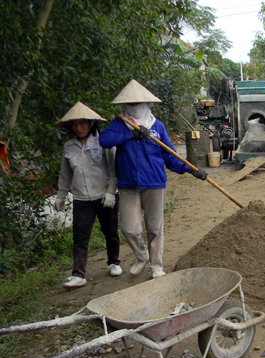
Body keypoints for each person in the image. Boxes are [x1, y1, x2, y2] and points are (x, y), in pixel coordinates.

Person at [99, 80, 207, 279]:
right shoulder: (119, 124)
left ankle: (156, 266)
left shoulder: (157, 126)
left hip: (155, 183)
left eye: (139, 102)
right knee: (129, 228)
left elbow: (170, 155)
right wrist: (131, 134)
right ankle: (142, 255)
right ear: (124, 105)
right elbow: (104, 140)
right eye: (130, 103)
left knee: (155, 227)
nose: (135, 106)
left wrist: (191, 170)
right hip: (128, 185)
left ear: (147, 104)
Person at [55, 102, 121, 288]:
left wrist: (110, 192)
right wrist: (61, 195)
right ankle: (78, 274)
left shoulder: (104, 143)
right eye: (75, 124)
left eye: (83, 123)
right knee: (80, 237)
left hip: (104, 196)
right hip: (82, 198)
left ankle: (114, 262)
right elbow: (65, 173)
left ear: (91, 124)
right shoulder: (70, 146)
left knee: (110, 231)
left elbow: (114, 170)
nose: (79, 127)